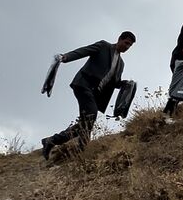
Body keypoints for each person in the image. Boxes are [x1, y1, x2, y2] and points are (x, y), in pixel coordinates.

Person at [41, 31, 136, 159]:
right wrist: (65, 57)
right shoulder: (103, 46)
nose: (127, 47)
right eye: (126, 43)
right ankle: (81, 150)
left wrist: (125, 84)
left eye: (130, 45)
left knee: (86, 123)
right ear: (119, 39)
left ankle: (53, 141)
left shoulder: (121, 64)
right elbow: (83, 51)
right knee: (91, 116)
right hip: (83, 85)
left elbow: (114, 82)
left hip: (95, 94)